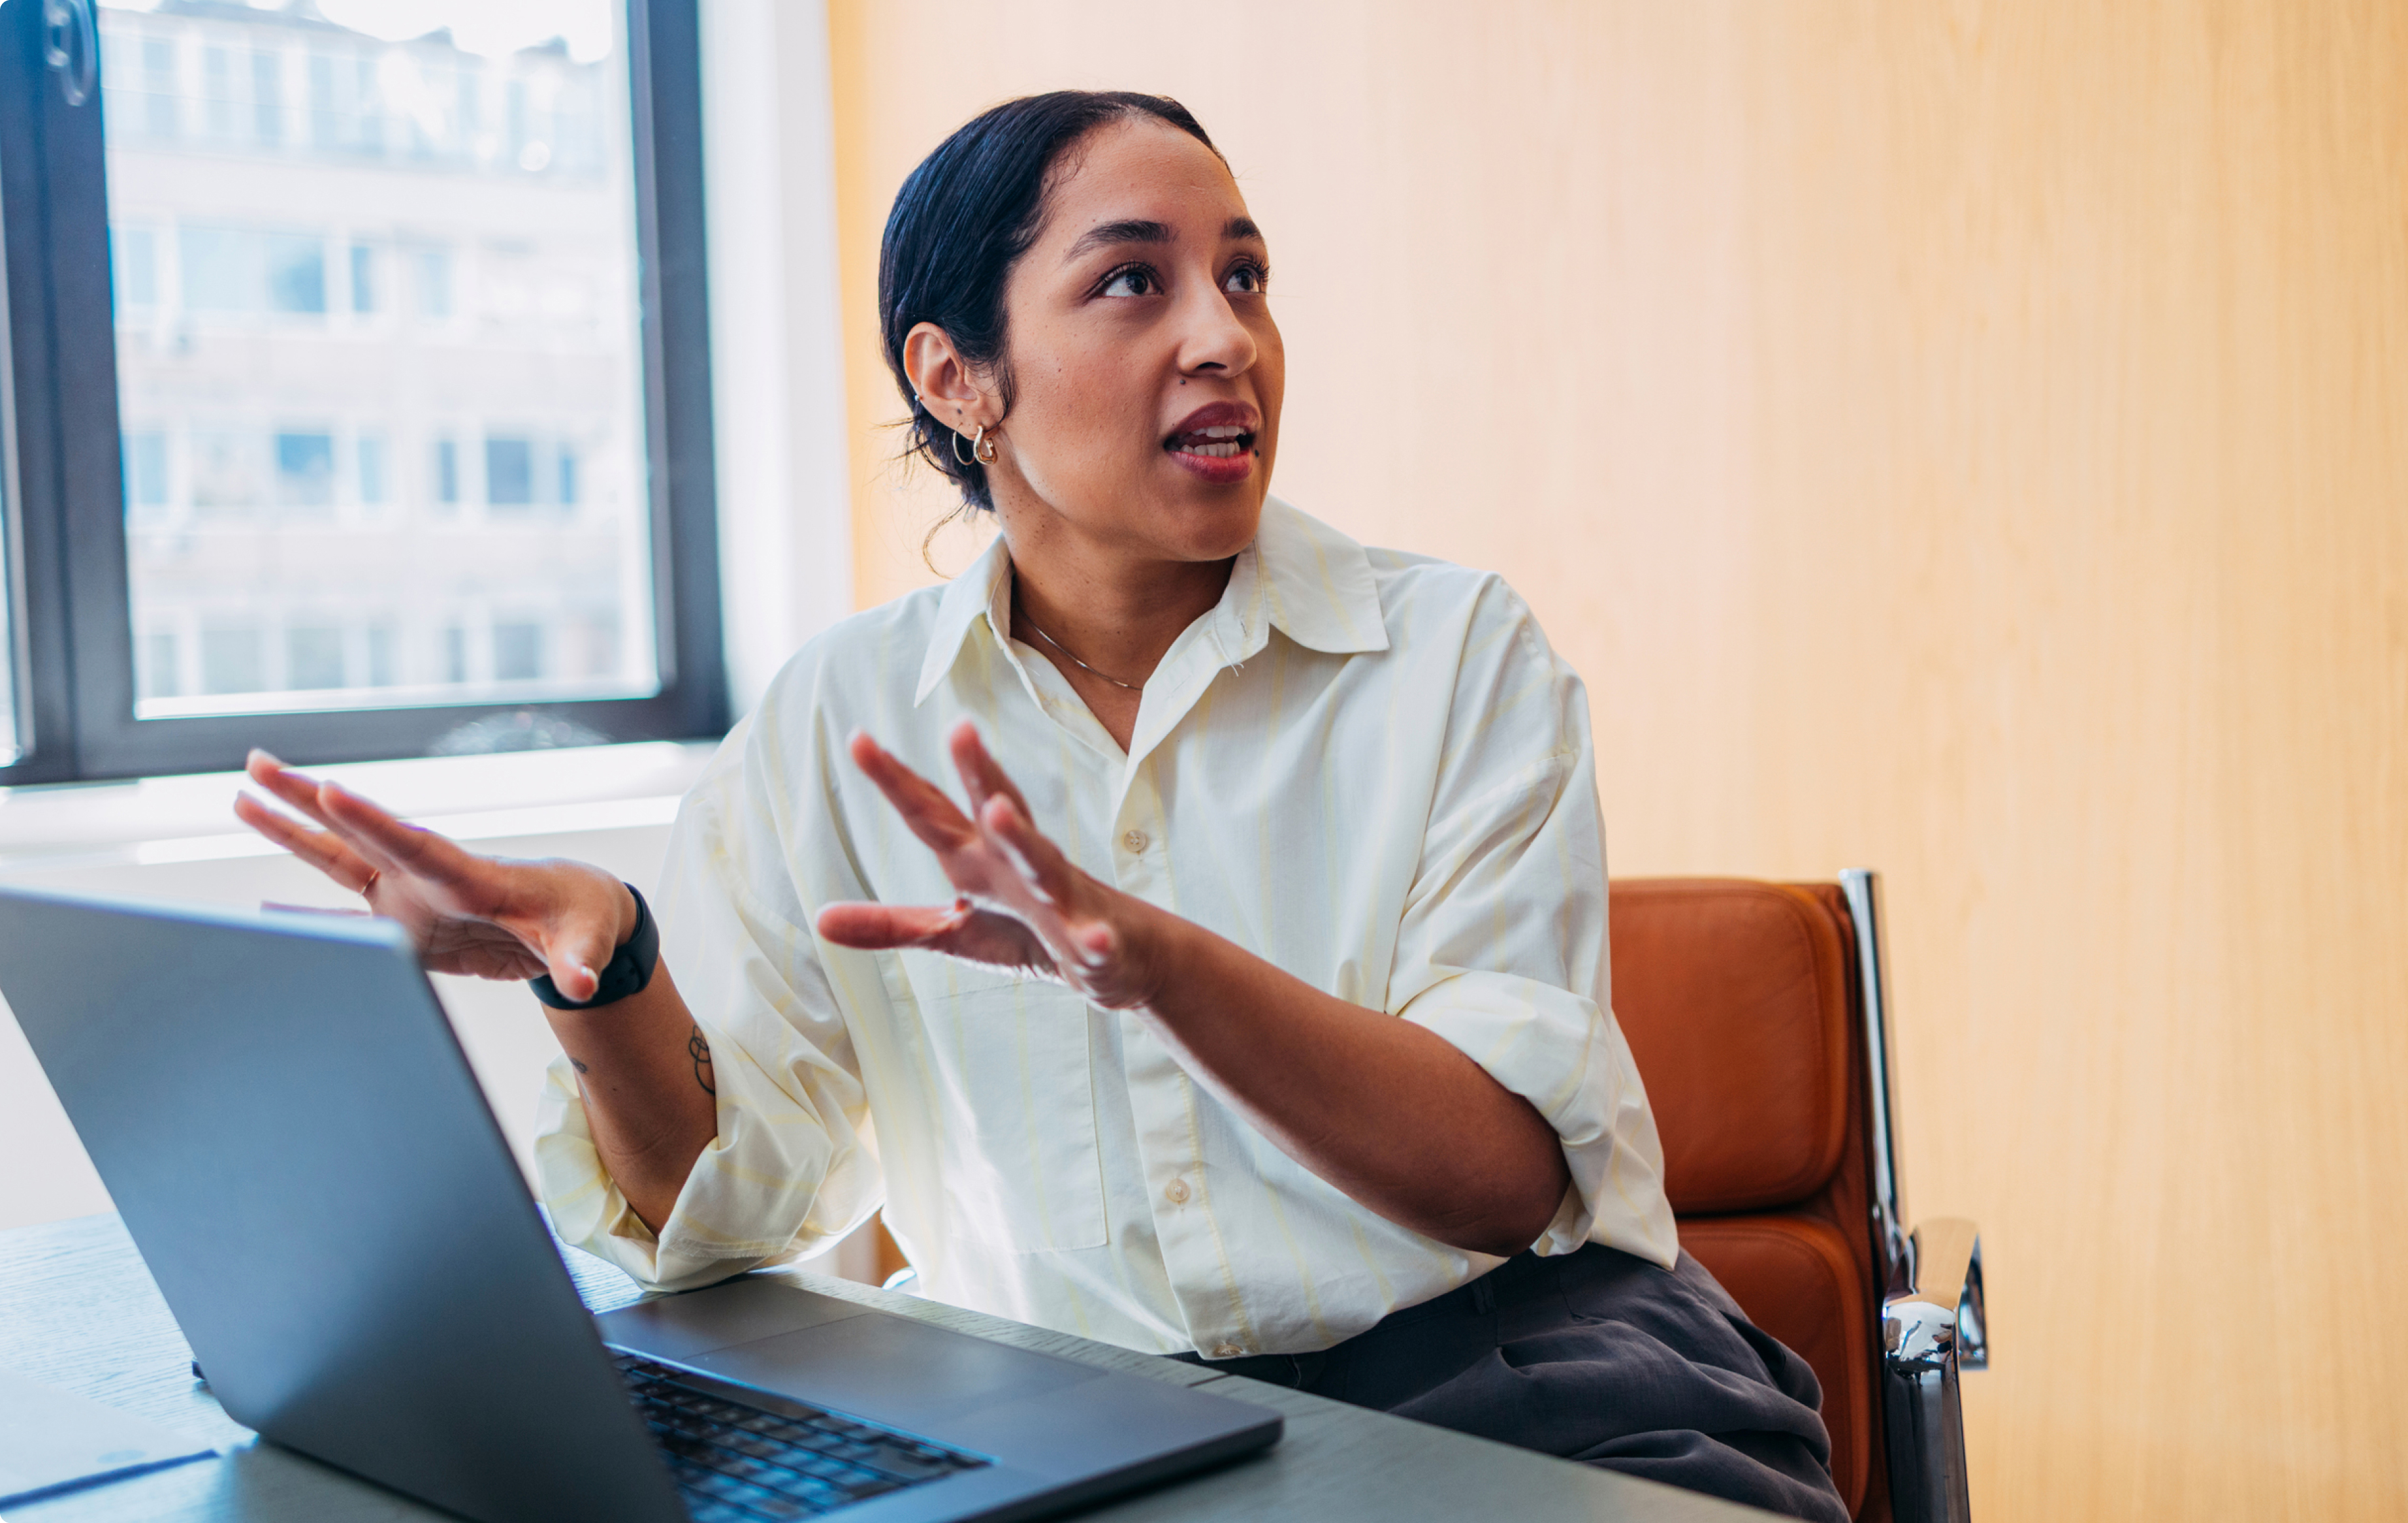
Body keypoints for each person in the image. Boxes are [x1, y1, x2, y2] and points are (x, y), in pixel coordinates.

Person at [234, 90, 1848, 1523]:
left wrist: (1156, 962)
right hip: (1074, 1431)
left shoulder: (1455, 649)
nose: (1225, 334)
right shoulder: (837, 722)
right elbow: (730, 1211)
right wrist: (606, 968)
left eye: (1246, 275)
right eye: (1133, 279)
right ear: (960, 378)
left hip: (1524, 1385)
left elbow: (1500, 1175)